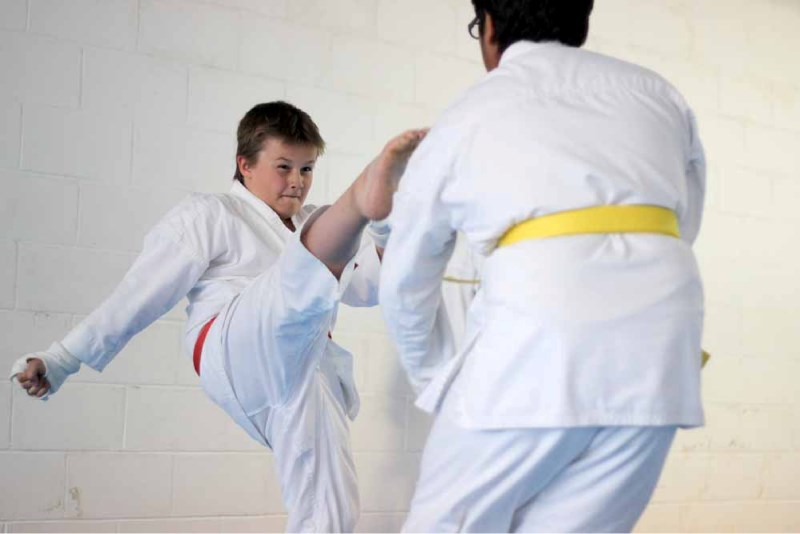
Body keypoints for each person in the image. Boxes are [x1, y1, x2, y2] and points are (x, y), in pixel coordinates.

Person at [9, 101, 426, 533]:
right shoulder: (210, 213)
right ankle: (364, 200)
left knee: (332, 507)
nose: (296, 183)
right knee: (296, 280)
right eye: (283, 167)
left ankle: (381, 224)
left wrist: (382, 247)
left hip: (304, 365)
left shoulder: (307, 225)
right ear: (245, 165)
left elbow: (364, 287)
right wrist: (60, 359)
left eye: (307, 169)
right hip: (233, 339)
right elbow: (135, 298)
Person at [379, 0, 706, 531]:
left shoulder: (472, 111)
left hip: (536, 342)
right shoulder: (659, 95)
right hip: (659, 352)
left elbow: (405, 275)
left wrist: (437, 377)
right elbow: (682, 222)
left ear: (487, 28)